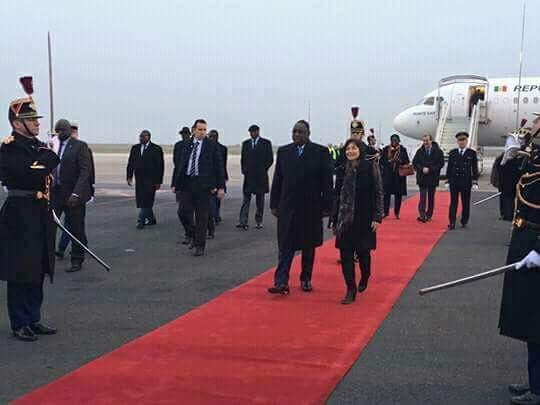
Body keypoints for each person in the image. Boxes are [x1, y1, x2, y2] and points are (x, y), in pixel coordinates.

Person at [0, 79, 60, 341]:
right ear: (16, 124)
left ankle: (33, 318)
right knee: (20, 270)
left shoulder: (37, 147)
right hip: (19, 214)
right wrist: (48, 155)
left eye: (37, 119)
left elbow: (42, 166)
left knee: (38, 267)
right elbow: (27, 173)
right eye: (32, 119)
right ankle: (19, 322)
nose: (37, 123)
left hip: (38, 212)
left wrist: (44, 154)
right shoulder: (9, 147)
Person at [499, 112, 540, 405]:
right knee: (529, 319)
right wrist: (509, 158)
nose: (532, 126)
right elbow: (509, 185)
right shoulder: (535, 157)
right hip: (525, 240)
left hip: (536, 243)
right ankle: (534, 380)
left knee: (537, 320)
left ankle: (538, 389)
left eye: (537, 122)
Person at [268, 120, 333, 295]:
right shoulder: (284, 152)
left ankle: (305, 278)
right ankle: (281, 281)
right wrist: (274, 203)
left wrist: (328, 206)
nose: (296, 134)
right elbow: (278, 180)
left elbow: (327, 182)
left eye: (300, 132)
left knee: (308, 245)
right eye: (294, 131)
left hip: (310, 207)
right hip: (288, 206)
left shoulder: (320, 152)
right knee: (285, 245)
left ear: (308, 133)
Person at [333, 139, 383, 304]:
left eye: (353, 148)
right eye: (348, 149)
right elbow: (337, 196)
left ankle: (365, 275)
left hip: (364, 218)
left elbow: (378, 193)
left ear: (360, 150)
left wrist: (377, 217)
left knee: (363, 254)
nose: (350, 151)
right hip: (345, 219)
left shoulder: (370, 168)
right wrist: (335, 218)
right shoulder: (341, 170)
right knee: (345, 255)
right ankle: (350, 289)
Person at [172, 119, 225, 256]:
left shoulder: (211, 146)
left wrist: (220, 187)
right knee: (182, 212)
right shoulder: (186, 145)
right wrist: (175, 183)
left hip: (204, 185)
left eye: (204, 130)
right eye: (200, 129)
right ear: (194, 130)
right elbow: (179, 165)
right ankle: (193, 234)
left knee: (202, 216)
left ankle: (200, 246)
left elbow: (219, 167)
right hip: (187, 183)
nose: (202, 132)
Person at [51, 119, 93, 273]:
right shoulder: (53, 145)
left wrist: (76, 193)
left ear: (68, 130)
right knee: (49, 225)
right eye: (57, 130)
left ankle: (77, 259)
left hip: (73, 195)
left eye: (62, 130)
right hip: (56, 193)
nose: (59, 133)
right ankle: (48, 258)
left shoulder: (80, 146)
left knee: (76, 228)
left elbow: (85, 172)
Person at [238, 124, 274, 230]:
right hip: (249, 176)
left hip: (260, 177)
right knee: (246, 200)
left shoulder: (266, 143)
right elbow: (243, 159)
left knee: (260, 201)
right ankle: (243, 221)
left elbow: (270, 159)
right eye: (250, 132)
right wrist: (244, 170)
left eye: (254, 131)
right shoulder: (246, 144)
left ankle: (259, 221)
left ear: (258, 131)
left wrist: (263, 169)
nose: (252, 133)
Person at [126, 130, 164, 230]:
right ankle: (151, 219)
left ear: (148, 137)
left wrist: (159, 181)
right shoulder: (135, 148)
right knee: (142, 199)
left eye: (143, 136)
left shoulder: (156, 149)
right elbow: (131, 163)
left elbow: (160, 166)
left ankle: (141, 220)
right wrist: (129, 176)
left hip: (151, 180)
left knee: (146, 199)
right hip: (139, 179)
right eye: (140, 136)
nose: (141, 138)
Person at [445, 131, 479, 229]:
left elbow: (474, 168)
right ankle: (452, 222)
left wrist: (475, 181)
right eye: (460, 140)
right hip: (454, 181)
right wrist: (447, 180)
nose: (462, 142)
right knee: (453, 202)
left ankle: (464, 220)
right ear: (457, 141)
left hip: (466, 181)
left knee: (465, 202)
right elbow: (449, 167)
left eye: (463, 140)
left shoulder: (471, 153)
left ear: (467, 141)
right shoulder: (453, 153)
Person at [412, 134, 444, 222]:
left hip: (432, 177)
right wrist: (422, 168)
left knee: (431, 197)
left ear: (431, 141)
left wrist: (430, 169)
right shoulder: (419, 151)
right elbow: (415, 163)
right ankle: (422, 215)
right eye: (424, 141)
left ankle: (429, 215)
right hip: (422, 177)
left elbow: (441, 164)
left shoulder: (438, 151)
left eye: (427, 140)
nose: (425, 142)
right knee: (422, 197)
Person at [380, 134, 410, 219]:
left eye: (396, 140)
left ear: (399, 141)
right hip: (388, 176)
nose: (394, 142)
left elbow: (407, 161)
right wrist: (389, 161)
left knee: (398, 195)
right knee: (386, 195)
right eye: (392, 140)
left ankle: (397, 213)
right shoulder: (386, 149)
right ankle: (385, 212)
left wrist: (399, 161)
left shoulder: (403, 150)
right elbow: (381, 162)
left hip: (399, 176)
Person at [171, 126, 192, 242]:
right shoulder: (178, 146)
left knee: (196, 211)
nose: (184, 136)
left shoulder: (194, 145)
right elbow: (176, 164)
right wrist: (175, 183)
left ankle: (195, 234)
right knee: (182, 211)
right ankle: (189, 233)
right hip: (181, 182)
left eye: (186, 134)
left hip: (193, 183)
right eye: (182, 134)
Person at [207, 129, 228, 238]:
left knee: (217, 199)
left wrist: (224, 178)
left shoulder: (223, 149)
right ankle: (214, 216)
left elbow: (223, 165)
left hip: (218, 177)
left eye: (214, 136)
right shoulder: (206, 147)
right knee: (211, 200)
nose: (212, 138)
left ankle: (215, 215)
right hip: (208, 179)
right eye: (211, 136)